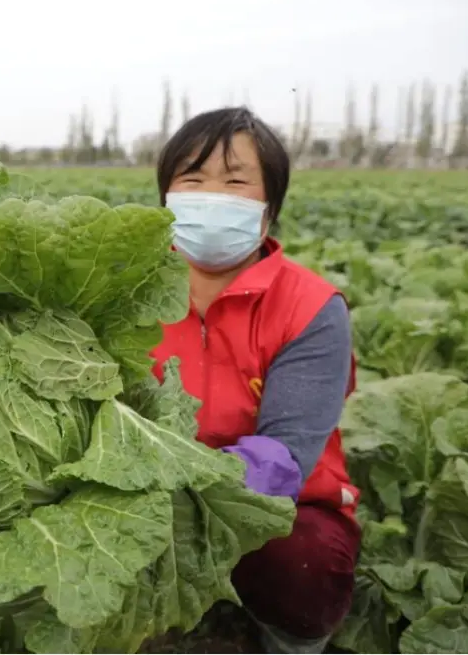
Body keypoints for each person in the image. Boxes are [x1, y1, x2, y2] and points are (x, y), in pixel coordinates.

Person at [149, 107, 361, 654]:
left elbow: (282, 456)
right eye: (192, 180)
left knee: (303, 563)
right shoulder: (125, 288)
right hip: (144, 488)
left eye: (236, 180)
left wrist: (175, 501)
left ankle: (284, 634)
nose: (211, 194)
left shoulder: (310, 307)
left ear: (270, 207)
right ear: (167, 199)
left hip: (275, 501)